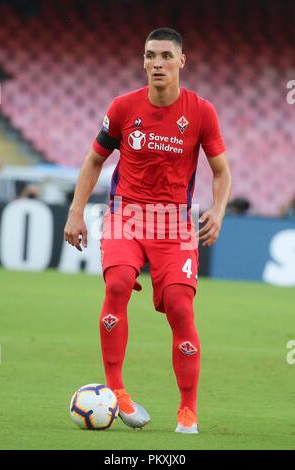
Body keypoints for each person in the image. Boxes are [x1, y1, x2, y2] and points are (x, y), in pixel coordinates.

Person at [64, 27, 232, 434]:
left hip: (174, 223)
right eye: (150, 56)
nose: (157, 63)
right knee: (118, 283)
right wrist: (76, 211)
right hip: (126, 216)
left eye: (165, 56)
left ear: (181, 61)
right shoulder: (123, 107)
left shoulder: (201, 112)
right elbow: (93, 162)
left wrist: (219, 210)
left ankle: (187, 409)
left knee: (179, 306)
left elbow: (222, 171)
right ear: (143, 61)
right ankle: (117, 390)